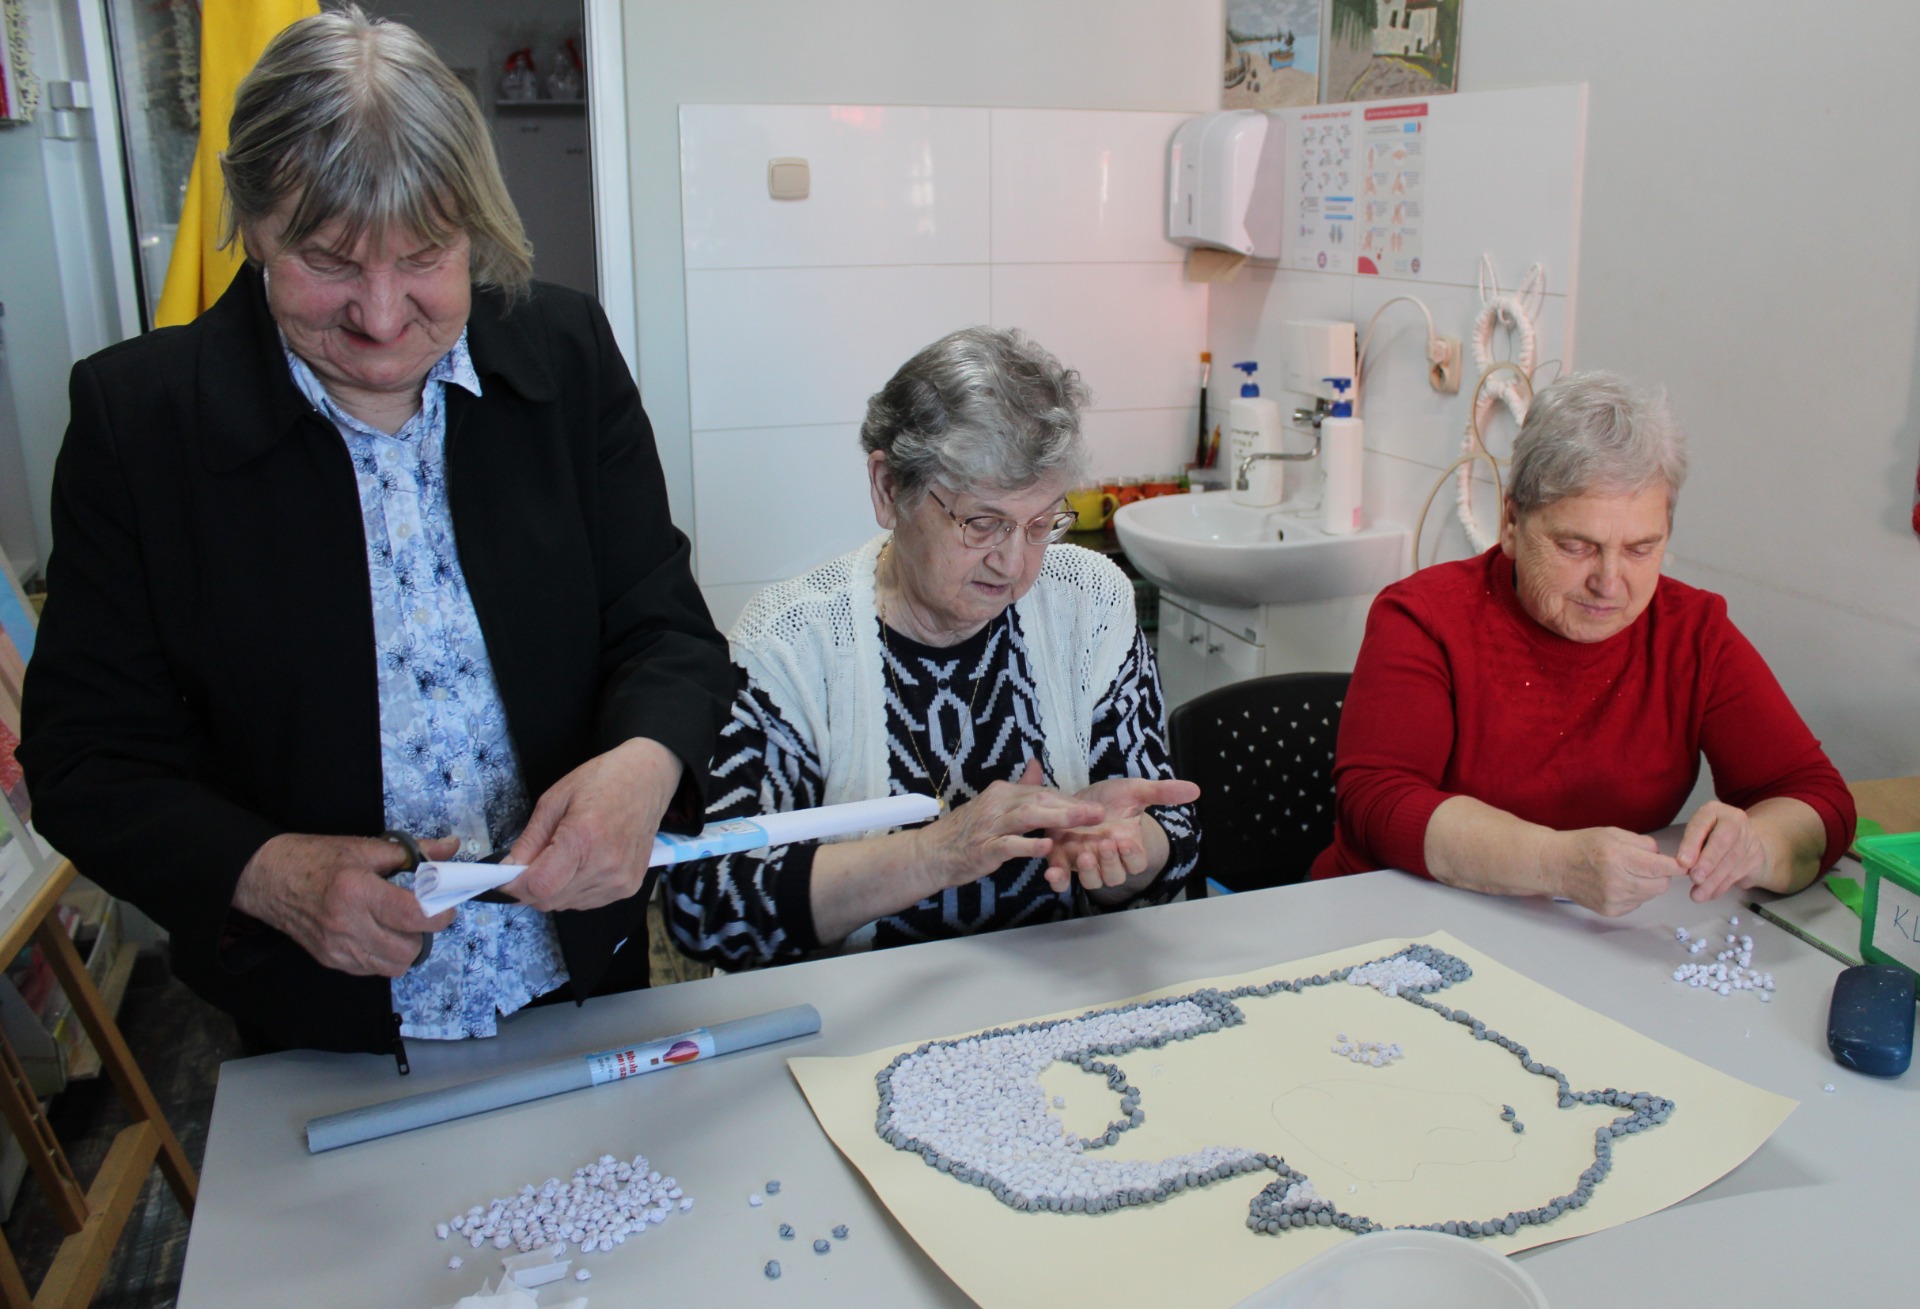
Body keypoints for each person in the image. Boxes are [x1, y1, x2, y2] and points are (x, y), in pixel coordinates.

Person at [19, 8, 732, 1054]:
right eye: (329, 260)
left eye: (427, 256)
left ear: (475, 229)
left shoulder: (564, 353)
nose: (384, 315)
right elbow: (85, 763)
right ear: (253, 225)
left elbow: (666, 631)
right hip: (317, 1014)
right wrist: (271, 874)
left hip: (580, 981)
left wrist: (644, 764)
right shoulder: (142, 424)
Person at [665, 327, 1200, 966]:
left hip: (1058, 988)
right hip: (858, 1019)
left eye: (1040, 524)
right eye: (982, 522)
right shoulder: (789, 645)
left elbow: (1174, 837)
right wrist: (935, 854)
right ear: (889, 489)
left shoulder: (1089, 601)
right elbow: (707, 904)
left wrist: (1122, 849)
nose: (1014, 564)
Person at [1311, 371, 1854, 915]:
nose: (1610, 582)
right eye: (1576, 546)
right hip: (1390, 922)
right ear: (1511, 521)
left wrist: (1758, 847)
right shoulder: (1425, 617)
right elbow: (1379, 802)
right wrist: (1557, 863)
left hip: (1581, 941)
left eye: (1642, 548)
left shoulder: (1692, 632)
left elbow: (1816, 797)